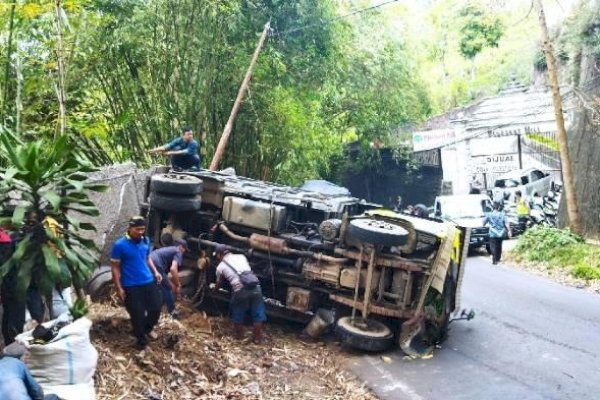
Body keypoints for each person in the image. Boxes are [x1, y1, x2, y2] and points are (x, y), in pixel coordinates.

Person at [110, 216, 163, 350]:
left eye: (142, 229)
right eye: (137, 229)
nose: (140, 232)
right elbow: (115, 267)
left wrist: (155, 271)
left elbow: (147, 257)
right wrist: (119, 287)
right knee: (137, 313)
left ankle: (145, 329)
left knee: (156, 308)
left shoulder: (145, 240)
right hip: (131, 285)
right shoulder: (119, 245)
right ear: (130, 228)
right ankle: (141, 342)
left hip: (148, 280)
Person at [211, 245, 266, 344]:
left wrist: (214, 290)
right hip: (256, 286)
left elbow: (219, 283)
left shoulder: (220, 267)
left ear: (219, 255)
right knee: (257, 313)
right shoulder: (241, 256)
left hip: (240, 289)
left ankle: (240, 337)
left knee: (237, 312)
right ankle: (257, 339)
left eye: (217, 256)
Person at [148, 239, 188, 319]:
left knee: (158, 286)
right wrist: (178, 284)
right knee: (168, 287)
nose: (184, 252)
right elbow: (173, 269)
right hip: (156, 264)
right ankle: (173, 312)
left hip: (149, 260)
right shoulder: (178, 251)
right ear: (180, 247)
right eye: (184, 249)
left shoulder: (168, 250)